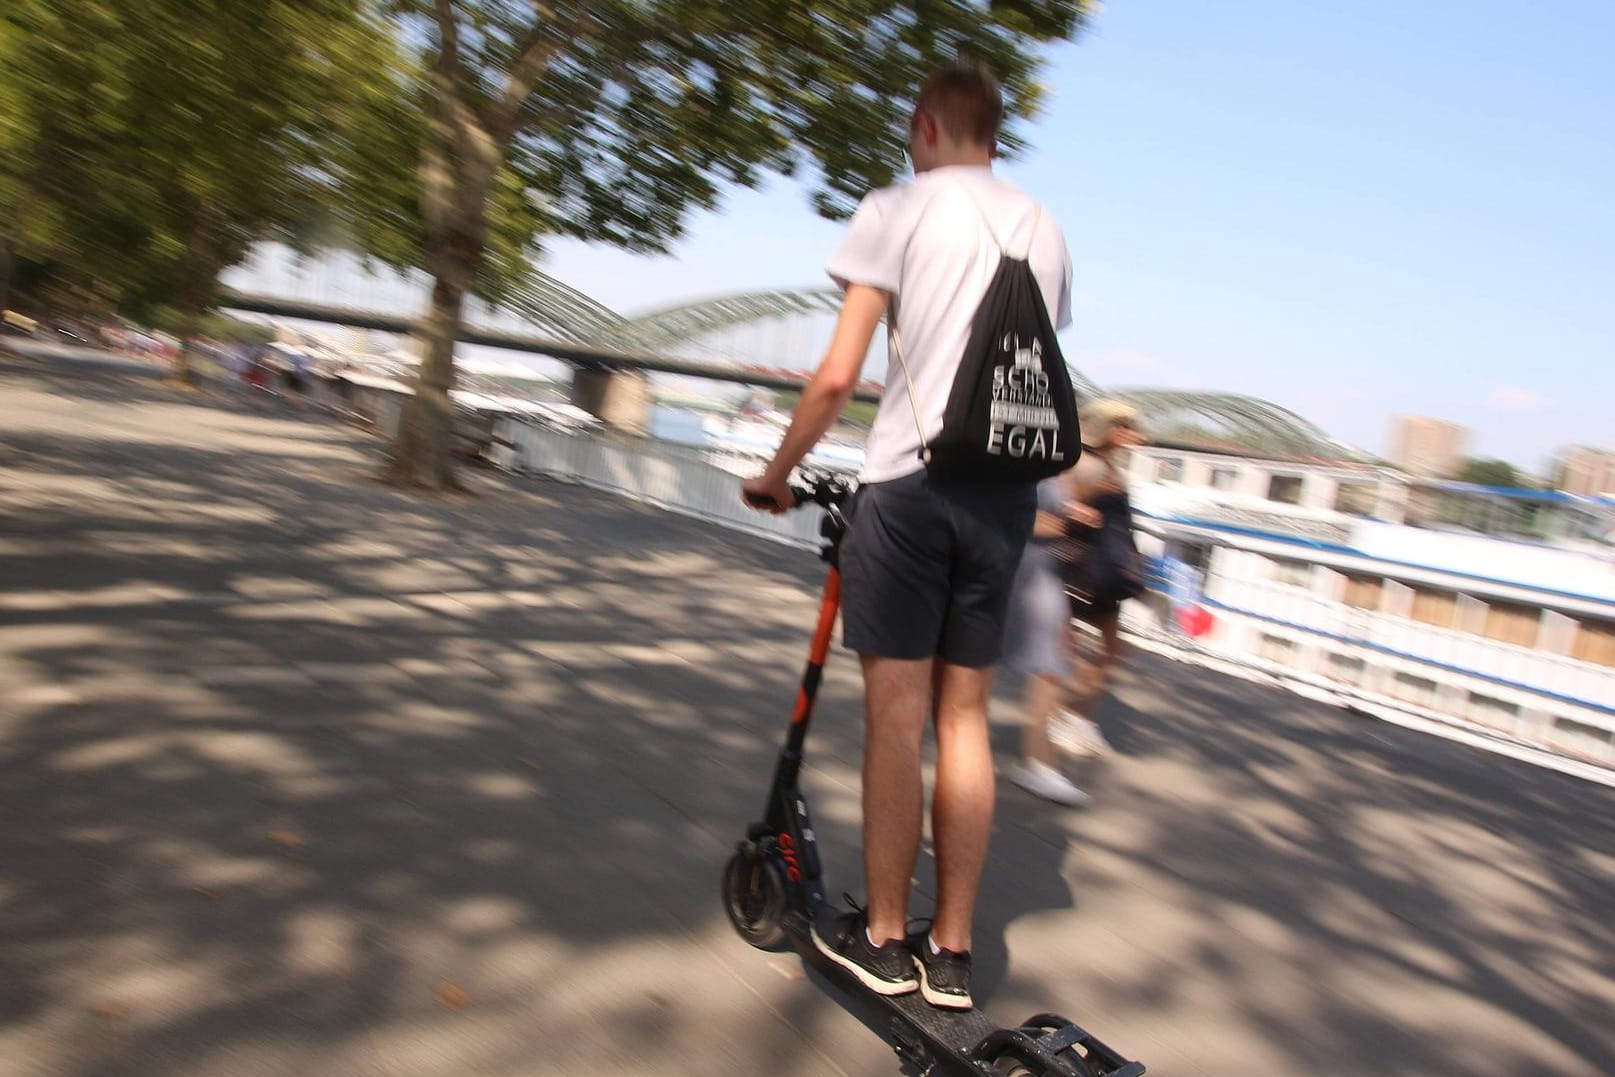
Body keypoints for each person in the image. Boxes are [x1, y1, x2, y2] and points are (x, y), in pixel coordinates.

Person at [742, 60, 1073, 1011]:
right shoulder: (1043, 227)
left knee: (897, 715)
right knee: (964, 716)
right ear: (994, 137)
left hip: (912, 487)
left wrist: (775, 474)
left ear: (927, 127)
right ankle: (954, 951)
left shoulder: (897, 207)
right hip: (1006, 496)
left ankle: (884, 936)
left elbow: (838, 376)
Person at [1050, 400, 1146, 757]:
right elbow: (1055, 503)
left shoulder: (1108, 465)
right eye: (1128, 428)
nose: (1136, 436)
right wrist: (1078, 511)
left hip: (1105, 568)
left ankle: (1076, 717)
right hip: (1080, 566)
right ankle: (1062, 716)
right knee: (1072, 649)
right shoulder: (1085, 463)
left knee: (1110, 649)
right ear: (1112, 429)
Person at [1002, 475, 1091, 806]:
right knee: (1051, 664)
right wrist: (1066, 524)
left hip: (1041, 571)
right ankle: (1038, 761)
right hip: (1030, 571)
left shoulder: (1060, 462)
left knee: (1053, 662)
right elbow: (1014, 512)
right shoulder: (1042, 461)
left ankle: (1039, 758)